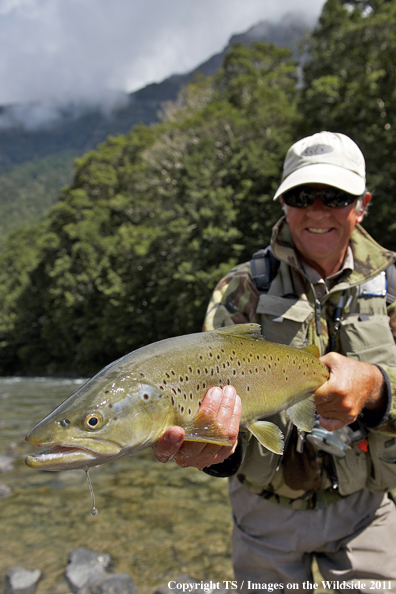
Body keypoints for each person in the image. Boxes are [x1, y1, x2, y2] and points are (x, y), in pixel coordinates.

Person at [153, 132, 396, 591]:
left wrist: (377, 387)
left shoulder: (395, 286)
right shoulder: (241, 290)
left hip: (367, 508)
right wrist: (216, 454)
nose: (318, 210)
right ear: (284, 202)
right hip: (264, 515)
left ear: (362, 204)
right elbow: (208, 405)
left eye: (337, 196)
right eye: (303, 195)